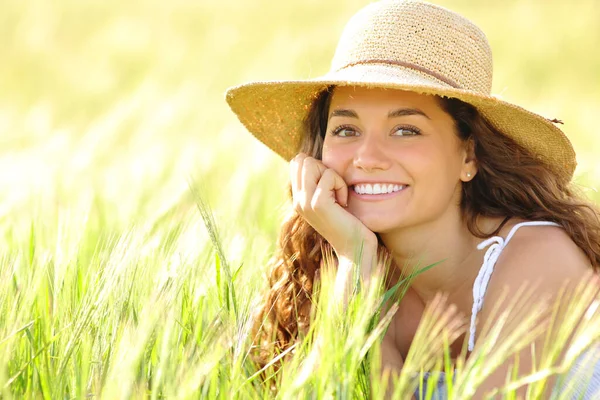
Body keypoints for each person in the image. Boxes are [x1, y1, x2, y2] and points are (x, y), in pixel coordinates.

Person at [225, 0, 600, 398]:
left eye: (405, 130)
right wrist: (355, 260)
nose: (367, 159)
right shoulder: (333, 259)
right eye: (346, 130)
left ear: (468, 155)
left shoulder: (538, 259)